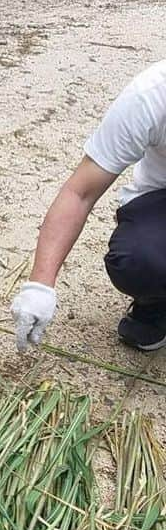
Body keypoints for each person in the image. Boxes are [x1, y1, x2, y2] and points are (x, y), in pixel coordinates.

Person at [10, 60, 166, 354]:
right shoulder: (152, 95)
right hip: (161, 201)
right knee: (139, 259)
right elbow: (79, 192)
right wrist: (39, 285)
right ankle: (157, 302)